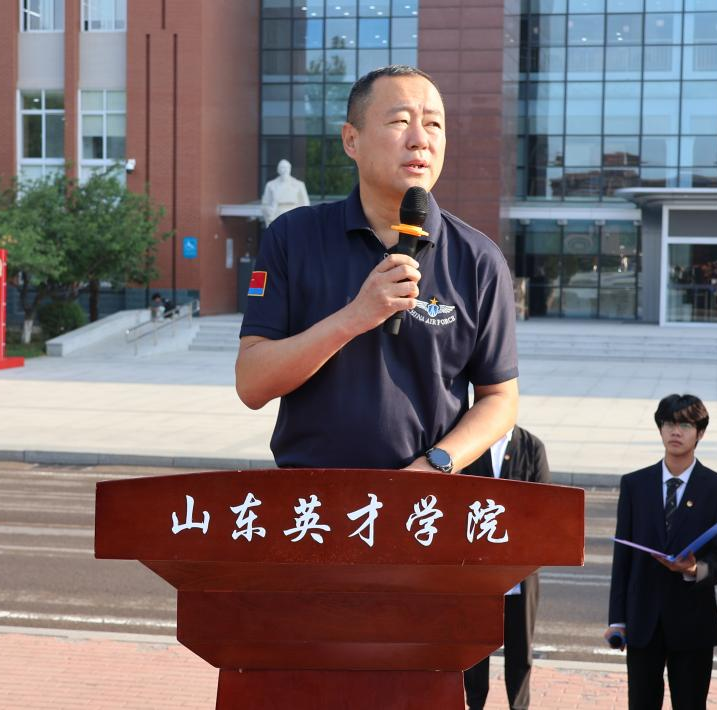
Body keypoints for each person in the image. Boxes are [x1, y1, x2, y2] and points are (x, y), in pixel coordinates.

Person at [236, 65, 518, 472]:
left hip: (427, 499)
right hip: (313, 499)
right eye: (400, 121)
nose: (420, 139)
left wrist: (435, 465)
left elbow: (500, 398)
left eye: (434, 124)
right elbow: (251, 384)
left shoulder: (478, 259)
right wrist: (355, 317)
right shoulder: (293, 238)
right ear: (351, 140)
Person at [604, 394, 717, 710]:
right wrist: (617, 620)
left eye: (685, 425)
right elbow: (622, 559)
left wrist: (692, 569)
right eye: (669, 423)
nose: (676, 431)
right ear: (660, 429)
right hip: (642, 620)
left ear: (700, 433)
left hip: (693, 622)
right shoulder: (634, 485)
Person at [461, 425, 550, 710]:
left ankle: (519, 705)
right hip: (476, 572)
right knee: (475, 649)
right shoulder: (470, 441)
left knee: (520, 649)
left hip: (520, 571)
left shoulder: (531, 447)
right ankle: (474, 704)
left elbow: (544, 505)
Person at [260, 159, 312, 227]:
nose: (285, 170)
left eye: (287, 167)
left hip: (294, 217)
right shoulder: (271, 185)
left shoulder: (299, 184)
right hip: (276, 216)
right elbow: (265, 205)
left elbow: (305, 204)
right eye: (282, 167)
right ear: (278, 170)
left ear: (290, 169)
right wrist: (270, 211)